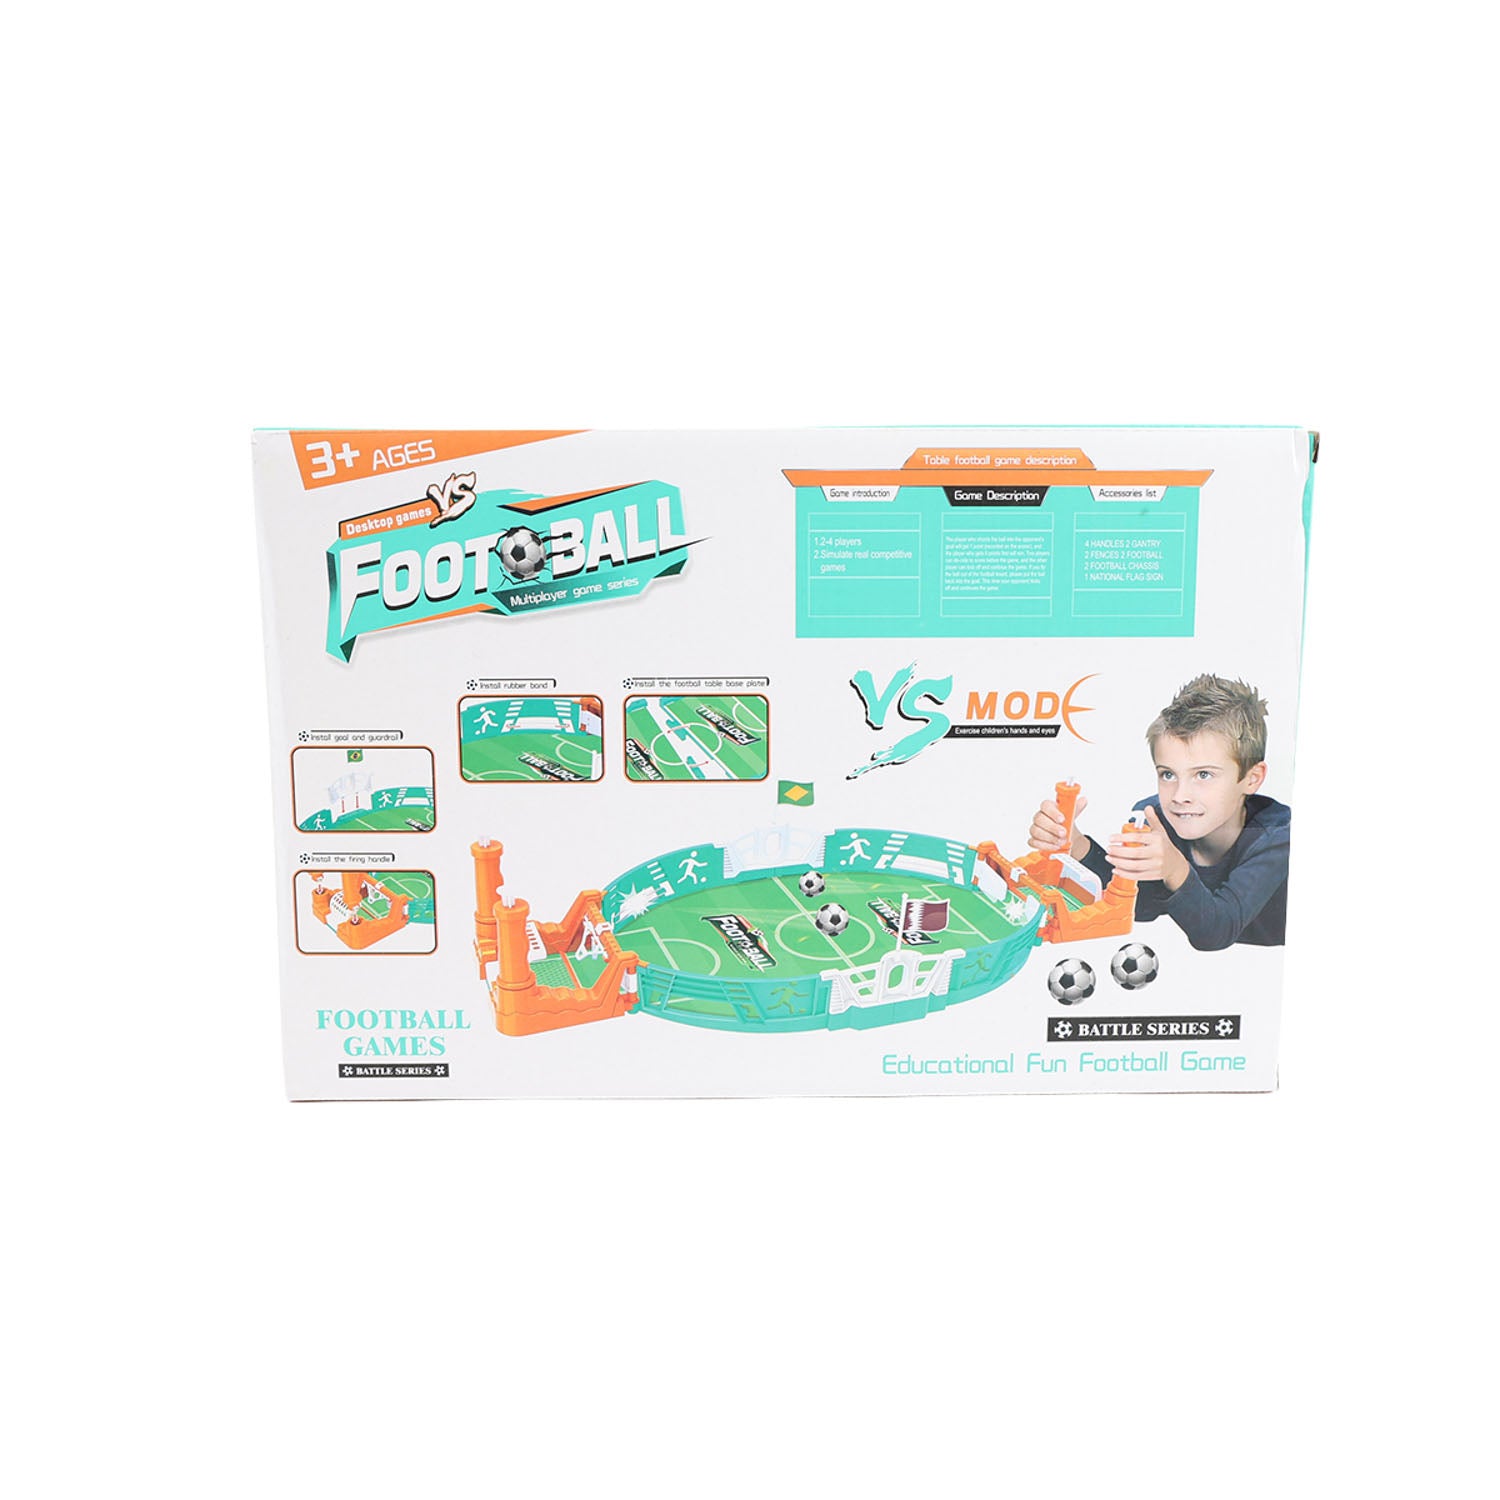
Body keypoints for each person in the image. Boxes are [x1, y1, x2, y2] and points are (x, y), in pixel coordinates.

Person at [1028, 675, 1290, 949]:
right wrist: (1076, 845)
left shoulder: (1277, 836)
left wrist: (1175, 869)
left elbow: (1217, 932)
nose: (1179, 796)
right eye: (1168, 774)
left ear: (1252, 779)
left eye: (1203, 774)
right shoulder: (1155, 818)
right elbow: (1141, 905)